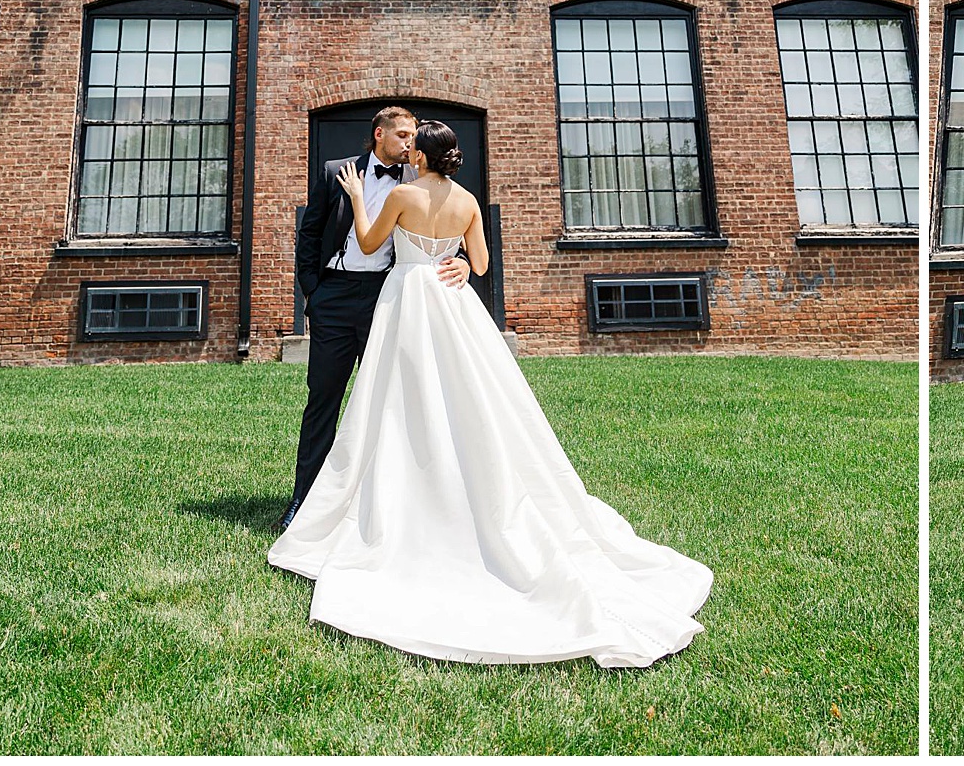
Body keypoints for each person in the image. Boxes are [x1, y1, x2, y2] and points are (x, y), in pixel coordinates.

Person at [268, 119, 712, 666]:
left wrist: (361, 198)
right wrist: (452, 261)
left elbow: (366, 240)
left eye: (413, 145)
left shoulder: (403, 192)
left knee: (397, 403)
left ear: (423, 158)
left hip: (407, 300)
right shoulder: (470, 201)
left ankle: (400, 498)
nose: (405, 151)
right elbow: (479, 265)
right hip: (452, 305)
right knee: (463, 397)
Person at [284, 105, 434, 530]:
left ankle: (383, 503)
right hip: (333, 294)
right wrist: (313, 289)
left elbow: (442, 227)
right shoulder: (337, 171)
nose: (410, 142)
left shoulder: (418, 180)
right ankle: (304, 499)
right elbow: (310, 231)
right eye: (403, 134)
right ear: (379, 133)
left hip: (386, 298)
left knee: (386, 400)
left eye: (414, 135)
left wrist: (459, 260)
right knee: (323, 399)